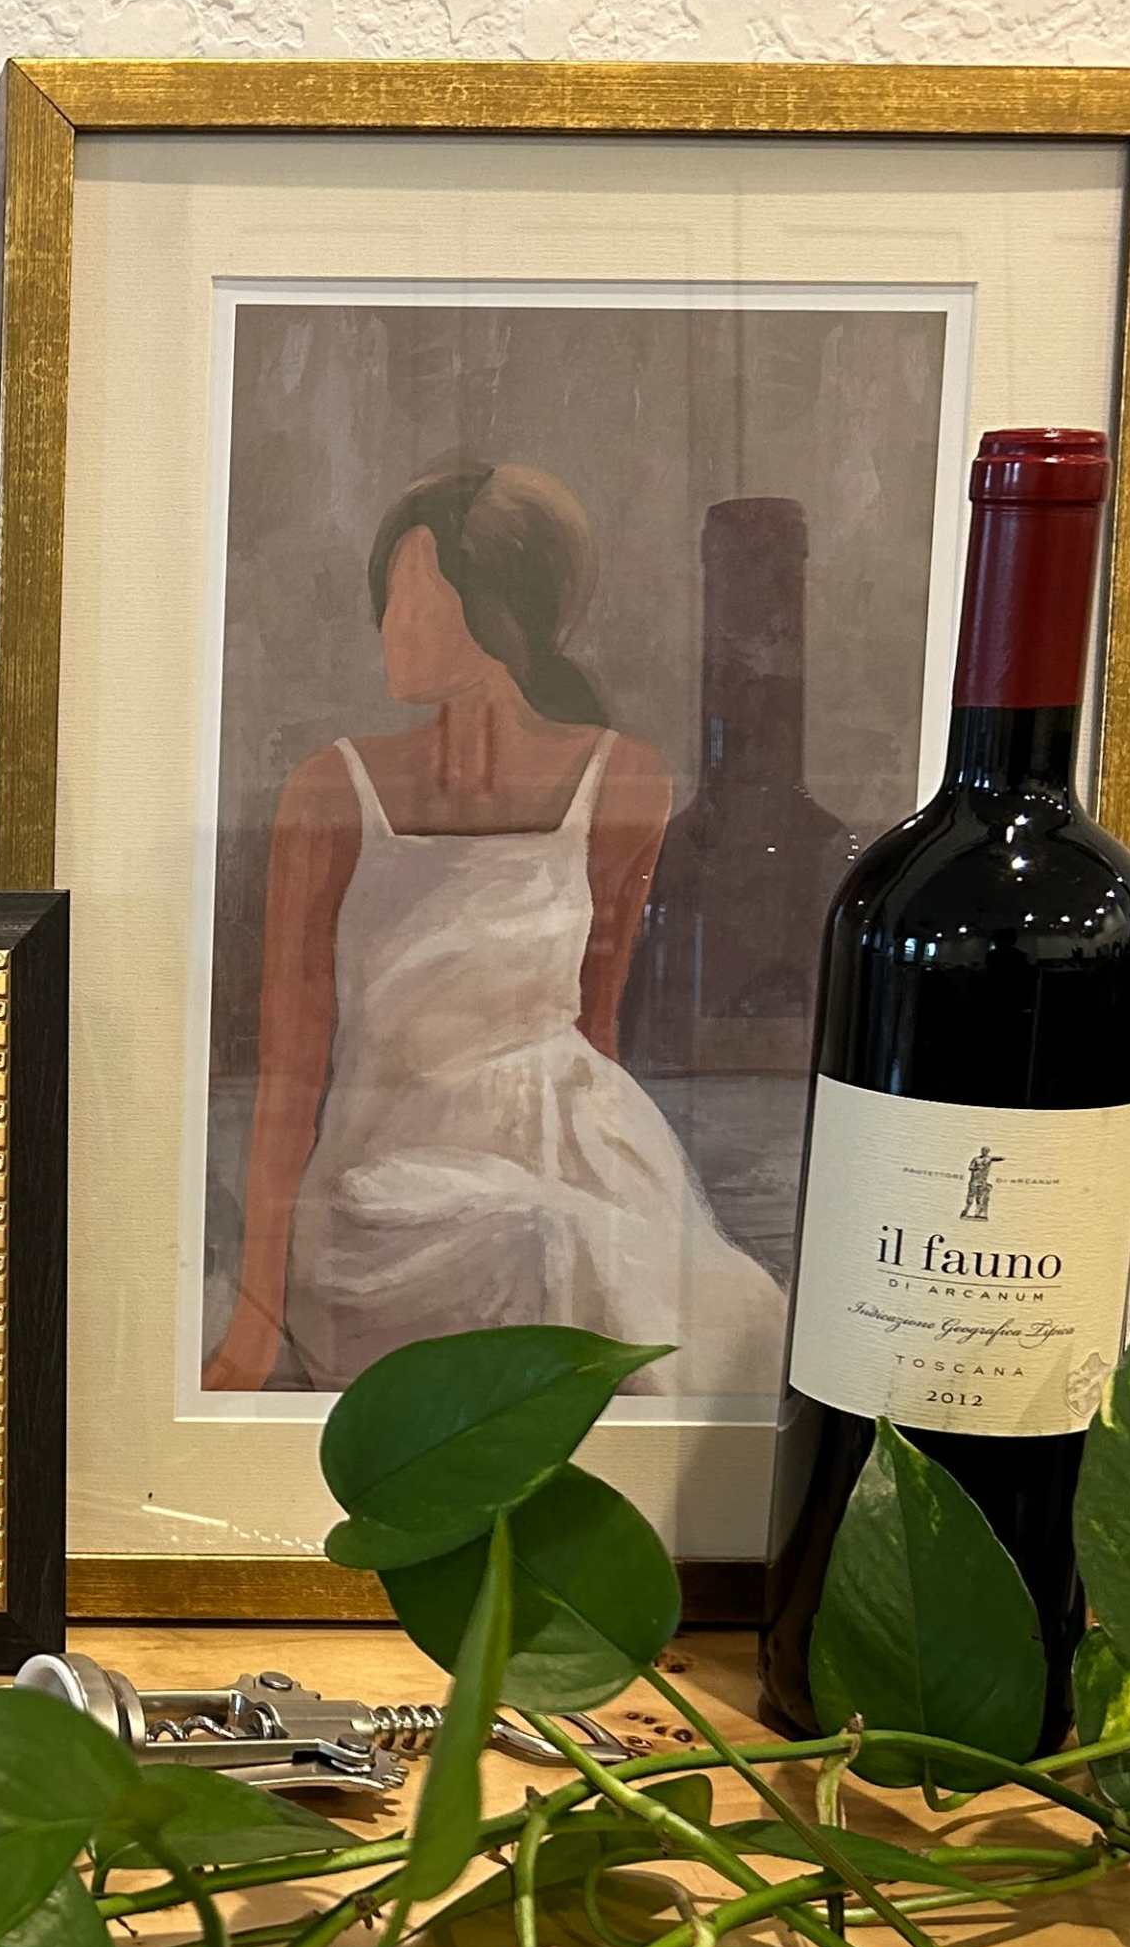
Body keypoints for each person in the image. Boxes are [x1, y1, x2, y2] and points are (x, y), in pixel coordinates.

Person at [206, 462, 783, 1398]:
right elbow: (289, 1068)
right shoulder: (333, 788)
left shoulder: (624, 779)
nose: (388, 626)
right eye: (387, 599)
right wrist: (255, 1319)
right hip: (386, 1175)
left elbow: (598, 1021)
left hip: (581, 1150)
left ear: (495, 614)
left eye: (414, 600)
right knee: (538, 1243)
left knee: (689, 1299)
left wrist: (633, 1191)